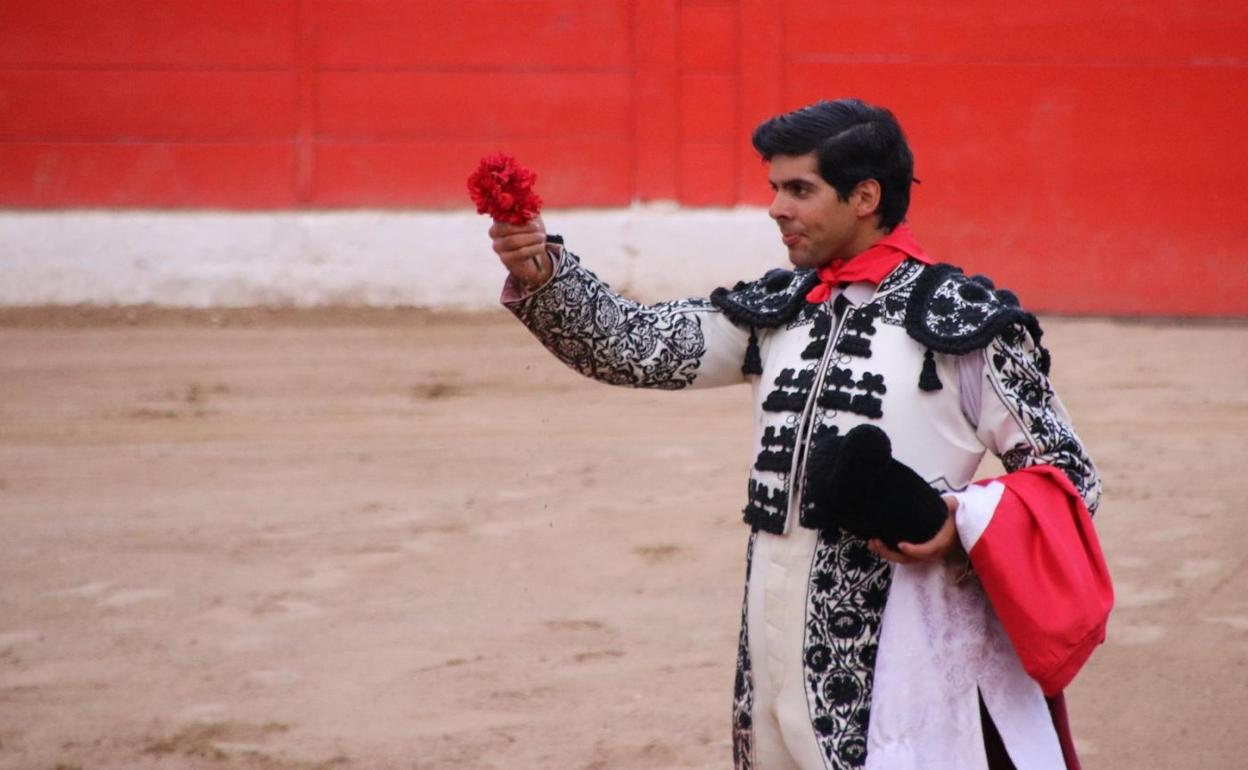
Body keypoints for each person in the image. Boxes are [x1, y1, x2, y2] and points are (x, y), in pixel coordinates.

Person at [487, 98, 1105, 770]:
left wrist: (957, 521)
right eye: (775, 188)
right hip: (772, 620)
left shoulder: (965, 322)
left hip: (906, 631)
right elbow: (636, 348)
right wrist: (541, 272)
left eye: (799, 189)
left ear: (864, 196)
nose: (777, 208)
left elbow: (1069, 475)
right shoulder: (780, 308)